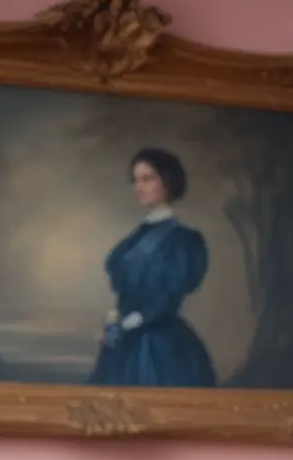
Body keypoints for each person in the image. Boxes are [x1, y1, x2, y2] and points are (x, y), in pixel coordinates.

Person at [88, 148, 217, 388]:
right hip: (124, 338)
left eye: (148, 179)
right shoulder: (137, 235)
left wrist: (126, 324)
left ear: (167, 181)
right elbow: (126, 288)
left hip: (158, 342)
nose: (139, 187)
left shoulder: (182, 239)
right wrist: (114, 320)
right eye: (136, 180)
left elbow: (166, 300)